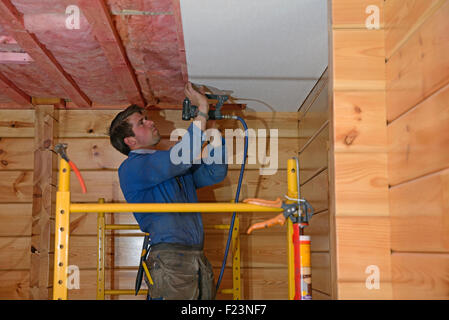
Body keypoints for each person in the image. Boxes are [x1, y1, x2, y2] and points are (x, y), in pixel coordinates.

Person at [108, 82, 227, 300]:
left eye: (146, 118)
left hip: (196, 256)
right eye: (141, 122)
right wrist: (201, 110)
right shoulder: (132, 168)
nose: (150, 121)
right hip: (170, 259)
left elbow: (214, 172)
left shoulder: (171, 165)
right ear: (130, 141)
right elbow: (182, 157)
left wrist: (213, 129)